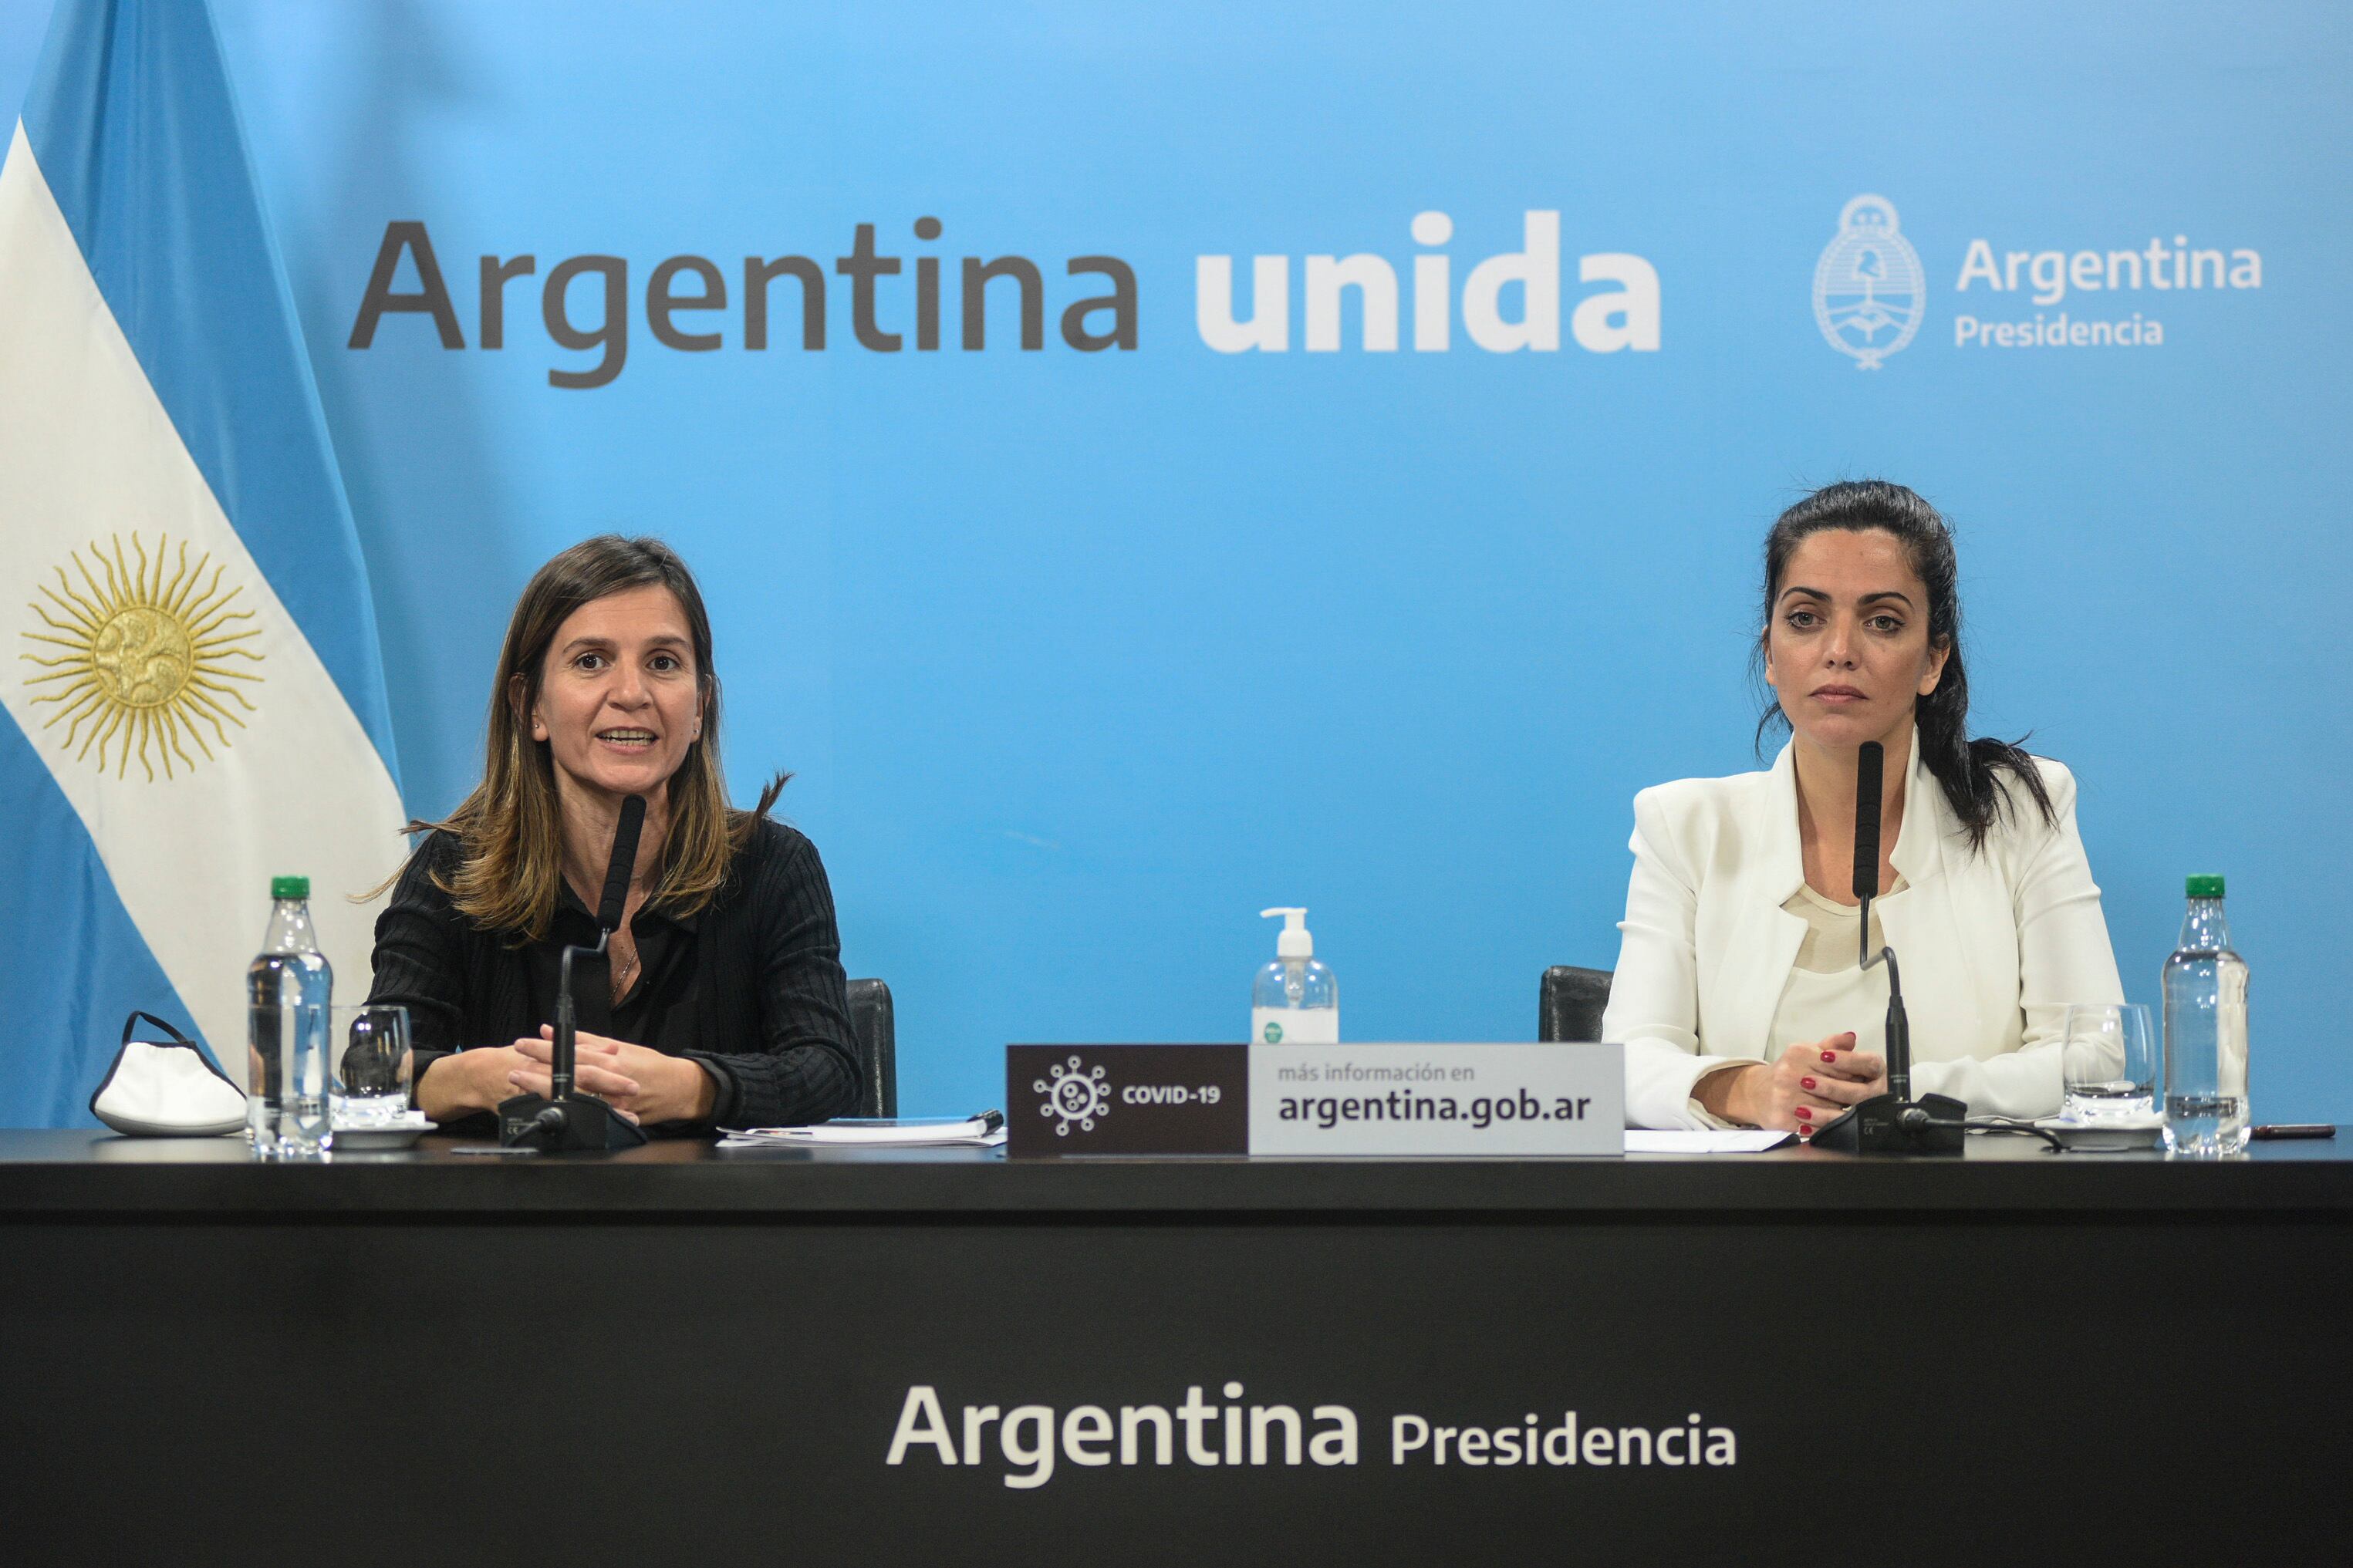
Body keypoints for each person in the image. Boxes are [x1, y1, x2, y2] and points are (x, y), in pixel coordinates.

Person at [1603, 481, 2123, 1133]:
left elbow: (2096, 1057)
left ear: (1934, 659)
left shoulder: (2018, 809)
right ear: (1769, 652)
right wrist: (1755, 1089)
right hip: (1750, 1225)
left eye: (1882, 621)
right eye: (1805, 618)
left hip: (1969, 1220)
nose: (1840, 649)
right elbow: (1624, 1064)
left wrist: (1903, 1093)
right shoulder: (1686, 827)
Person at [369, 534, 859, 1135]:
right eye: (591, 661)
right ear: (531, 706)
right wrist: (489, 1078)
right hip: (511, 1222)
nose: (631, 694)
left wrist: (690, 1087)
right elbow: (376, 1066)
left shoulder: (772, 866)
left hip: (716, 1222)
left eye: (663, 663)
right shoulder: (456, 869)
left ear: (700, 705)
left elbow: (827, 1068)